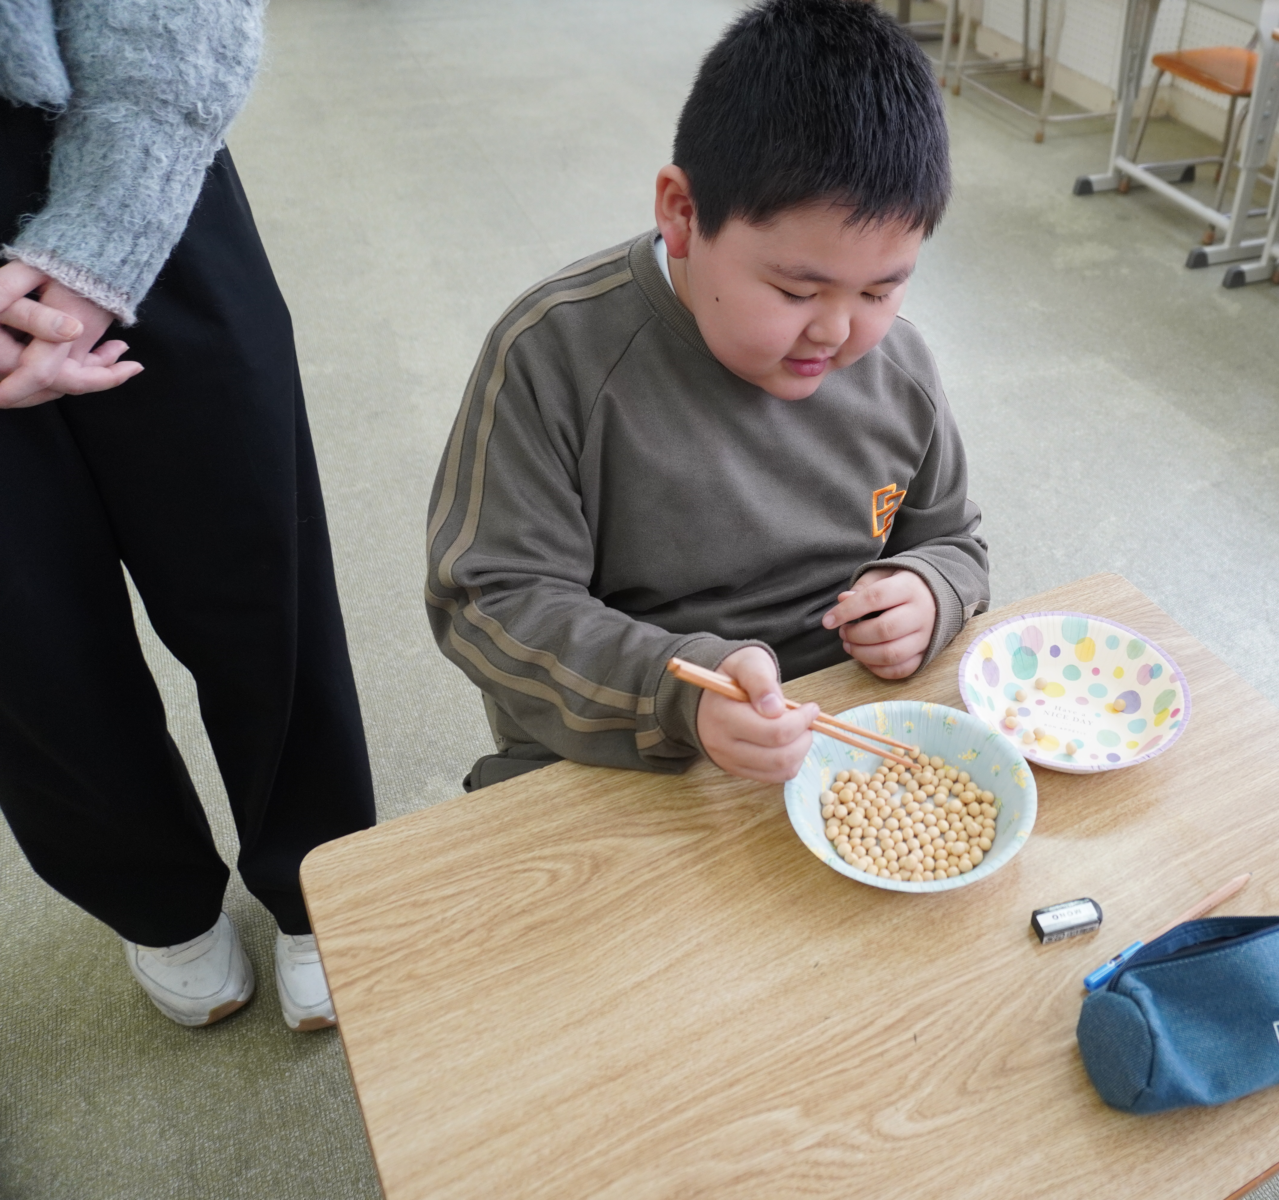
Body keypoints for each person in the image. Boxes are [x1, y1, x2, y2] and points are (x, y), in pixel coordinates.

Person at [426, 0, 989, 791]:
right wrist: (680, 692)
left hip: (842, 734)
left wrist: (931, 592)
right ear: (683, 214)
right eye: (798, 289)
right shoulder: (556, 354)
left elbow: (955, 543)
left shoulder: (897, 365)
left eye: (881, 290)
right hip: (625, 736)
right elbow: (490, 602)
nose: (836, 332)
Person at [0, 1, 376, 1031]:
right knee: (24, 641)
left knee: (252, 555)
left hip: (125, 113)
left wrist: (104, 235)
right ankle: (152, 898)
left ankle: (320, 874)